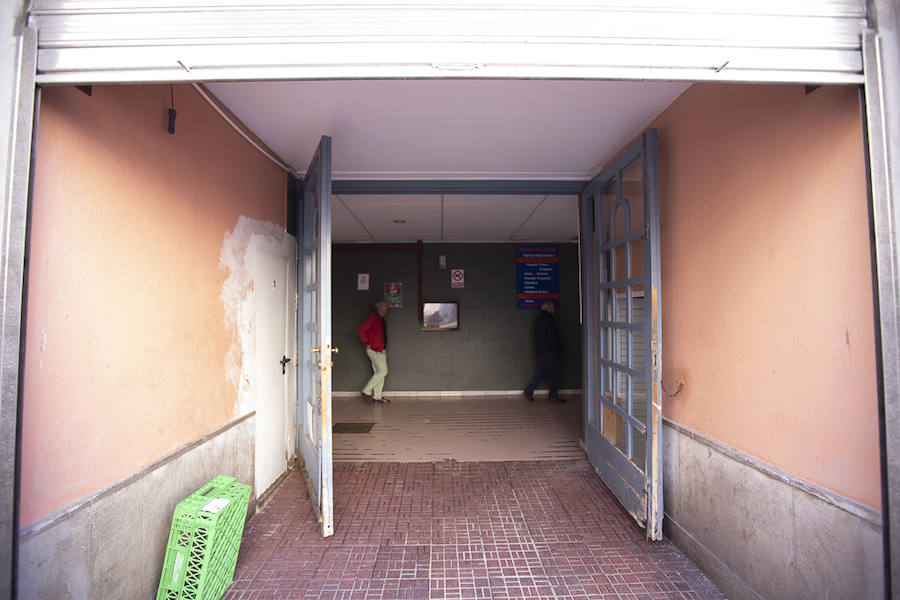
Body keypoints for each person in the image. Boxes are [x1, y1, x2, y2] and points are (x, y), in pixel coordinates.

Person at [523, 300, 564, 403]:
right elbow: (552, 337)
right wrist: (557, 348)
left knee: (543, 372)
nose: (554, 309)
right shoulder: (549, 320)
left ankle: (529, 390)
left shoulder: (538, 319)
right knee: (555, 373)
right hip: (549, 351)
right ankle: (553, 396)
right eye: (553, 307)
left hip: (541, 351)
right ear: (548, 308)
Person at [357, 300, 390, 404]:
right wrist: (366, 342)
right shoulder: (373, 318)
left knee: (379, 372)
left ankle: (377, 396)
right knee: (383, 371)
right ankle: (366, 391)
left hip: (381, 350)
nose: (387, 308)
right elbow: (361, 330)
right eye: (385, 306)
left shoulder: (380, 319)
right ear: (379, 308)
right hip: (374, 350)